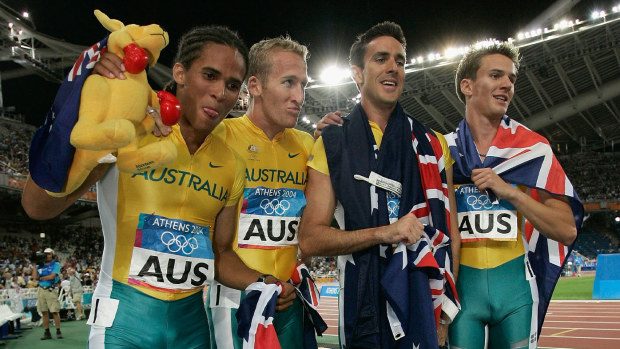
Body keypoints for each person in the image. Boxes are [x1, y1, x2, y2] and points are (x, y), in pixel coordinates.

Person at [22, 26, 252, 348]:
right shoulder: (132, 123)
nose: (220, 93)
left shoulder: (231, 163)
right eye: (209, 75)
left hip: (192, 328)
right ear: (180, 73)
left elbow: (222, 254)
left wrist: (265, 282)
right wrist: (89, 116)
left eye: (232, 85)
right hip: (122, 323)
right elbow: (36, 206)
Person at [299, 22, 460, 348]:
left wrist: (443, 315)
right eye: (381, 59)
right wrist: (383, 233)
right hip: (362, 301)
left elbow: (449, 234)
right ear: (357, 73)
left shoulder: (433, 144)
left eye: (399, 61)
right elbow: (310, 239)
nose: (393, 68)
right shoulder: (333, 142)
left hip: (421, 298)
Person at [444, 41, 583, 349]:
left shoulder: (533, 150)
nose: (507, 84)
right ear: (467, 86)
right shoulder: (441, 151)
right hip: (461, 295)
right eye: (496, 76)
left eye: (511, 79)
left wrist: (511, 193)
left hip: (517, 294)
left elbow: (567, 230)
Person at [205, 36, 314, 348]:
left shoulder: (307, 146)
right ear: (254, 85)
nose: (299, 96)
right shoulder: (218, 137)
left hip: (289, 297)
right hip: (236, 299)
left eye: (303, 85)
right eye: (289, 83)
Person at [32, 248, 62, 340]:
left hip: (50, 289)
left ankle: (58, 330)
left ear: (52, 255)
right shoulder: (39, 266)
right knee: (44, 311)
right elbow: (35, 277)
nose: (47, 256)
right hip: (41, 289)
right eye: (46, 254)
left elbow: (52, 276)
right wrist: (34, 265)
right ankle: (47, 332)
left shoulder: (56, 264)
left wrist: (41, 278)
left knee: (54, 311)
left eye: (49, 254)